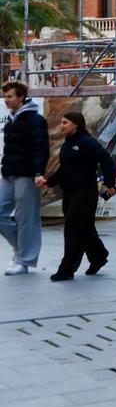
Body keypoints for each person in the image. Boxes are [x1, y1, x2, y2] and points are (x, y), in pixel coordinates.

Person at [37, 112, 116, 281]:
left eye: (65, 122)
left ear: (76, 125)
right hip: (70, 192)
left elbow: (106, 160)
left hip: (85, 193)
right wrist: (49, 182)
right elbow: (65, 169)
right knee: (84, 227)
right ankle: (99, 256)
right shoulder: (68, 144)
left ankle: (66, 269)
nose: (61, 125)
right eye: (61, 122)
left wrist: (110, 184)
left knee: (73, 229)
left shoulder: (86, 142)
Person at [0, 80, 49, 276]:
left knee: (26, 219)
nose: (6, 100)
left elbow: (41, 149)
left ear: (21, 97)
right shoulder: (14, 119)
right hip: (9, 173)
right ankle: (21, 250)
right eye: (5, 96)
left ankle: (24, 260)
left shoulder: (35, 120)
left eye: (10, 96)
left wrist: (38, 173)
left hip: (27, 175)